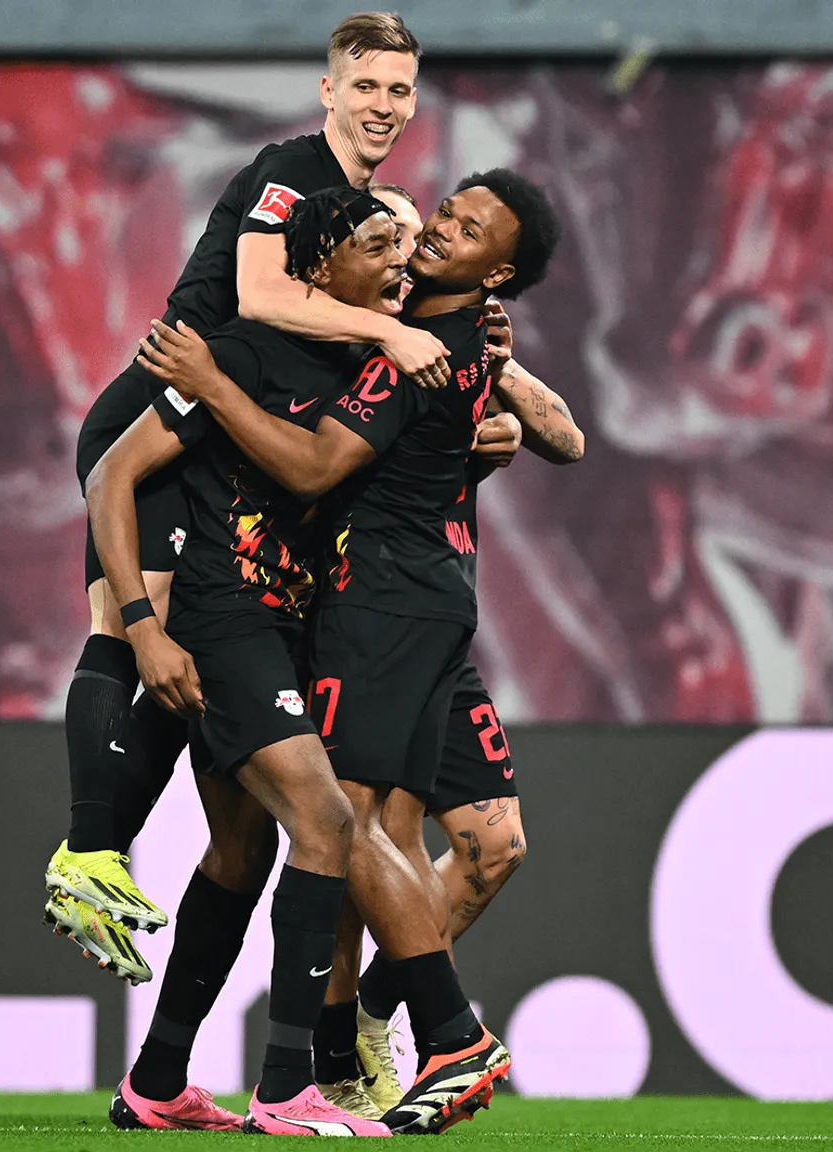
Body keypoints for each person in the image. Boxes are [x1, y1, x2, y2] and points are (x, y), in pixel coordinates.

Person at [137, 168, 561, 1134]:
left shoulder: (420, 349)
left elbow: (316, 464)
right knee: (376, 827)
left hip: (381, 601)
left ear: (498, 272)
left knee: (343, 825)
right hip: (428, 598)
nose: (440, 228)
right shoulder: (422, 331)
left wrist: (208, 384)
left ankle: (443, 1037)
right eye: (448, 211)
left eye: (468, 229)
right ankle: (343, 1051)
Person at [45, 10, 449, 985]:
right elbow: (261, 294)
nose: (382, 107)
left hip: (205, 430)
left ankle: (94, 857)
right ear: (328, 91)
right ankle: (86, 852)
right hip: (162, 412)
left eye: (398, 90)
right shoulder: (291, 172)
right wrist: (387, 335)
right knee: (127, 625)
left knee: (170, 643)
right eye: (365, 87)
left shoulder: (357, 199)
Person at [92, 187, 410, 1136]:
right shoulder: (242, 354)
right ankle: (285, 1088)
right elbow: (113, 474)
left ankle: (155, 1081)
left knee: (242, 849)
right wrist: (142, 626)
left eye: (405, 244)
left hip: (295, 632)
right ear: (318, 268)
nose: (399, 260)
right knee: (324, 822)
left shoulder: (370, 367)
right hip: (228, 623)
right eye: (378, 243)